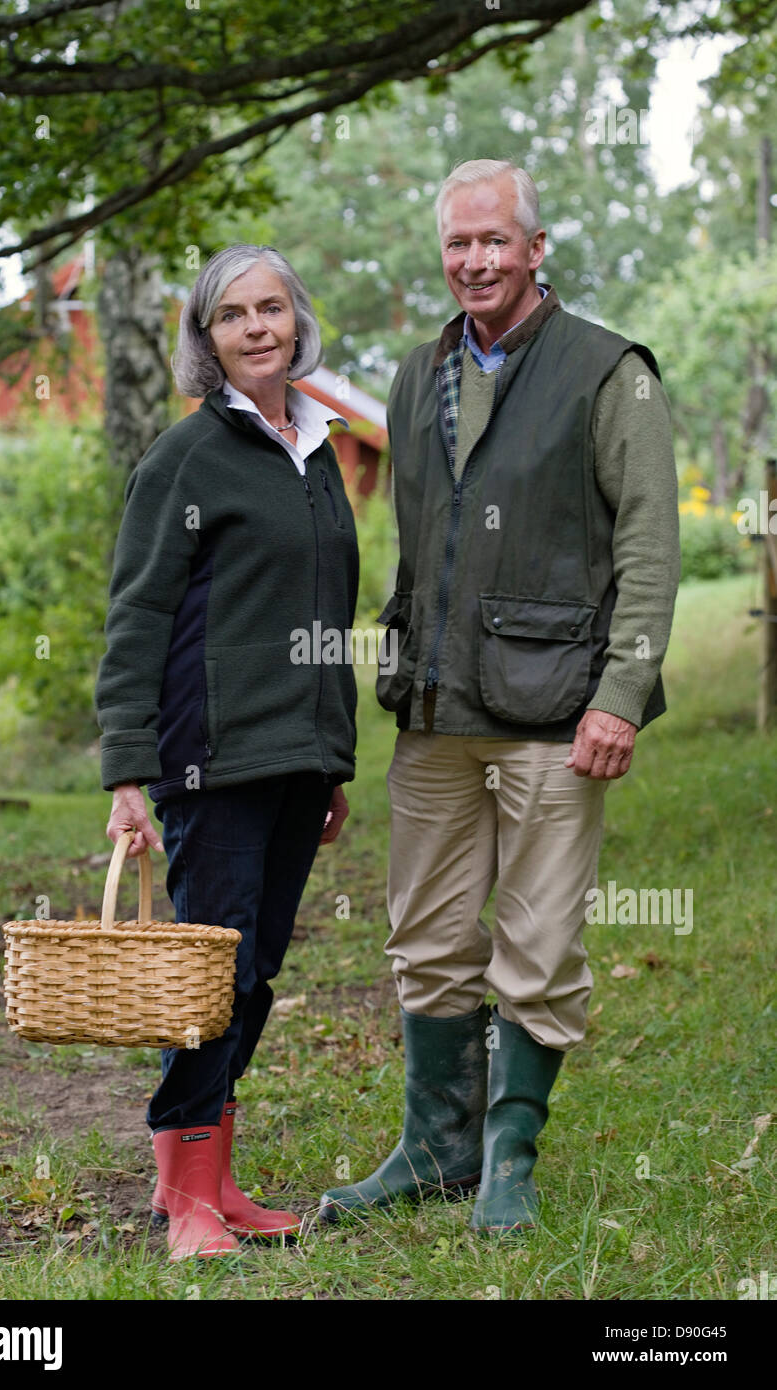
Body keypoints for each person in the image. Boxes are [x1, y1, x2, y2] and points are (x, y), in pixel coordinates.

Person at [319, 158, 680, 1235]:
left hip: (555, 707)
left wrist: (620, 691)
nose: (474, 260)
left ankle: (506, 1160)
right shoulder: (412, 372)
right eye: (457, 243)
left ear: (533, 248)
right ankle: (430, 1147)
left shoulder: (609, 371)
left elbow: (650, 546)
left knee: (536, 942)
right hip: (434, 711)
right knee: (424, 936)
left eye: (494, 241)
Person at [94, 244, 358, 1260]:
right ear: (206, 340)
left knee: (254, 973)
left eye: (272, 308)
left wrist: (330, 757)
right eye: (232, 315)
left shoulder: (318, 445)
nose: (257, 327)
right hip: (211, 755)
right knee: (212, 975)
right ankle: (190, 1199)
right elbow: (137, 619)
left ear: (297, 320)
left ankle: (198, 1181)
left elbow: (326, 609)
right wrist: (128, 773)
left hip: (298, 754)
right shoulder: (184, 458)